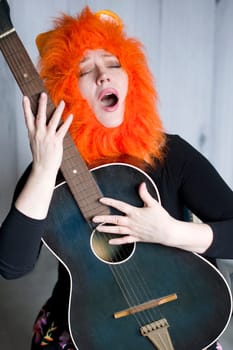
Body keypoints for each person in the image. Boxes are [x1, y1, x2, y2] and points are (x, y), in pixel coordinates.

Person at [0, 6, 232, 350]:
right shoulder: (47, 168)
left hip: (185, 313)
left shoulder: (171, 154)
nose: (103, 76)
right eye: (85, 71)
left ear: (131, 78)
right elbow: (11, 265)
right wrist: (46, 169)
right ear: (66, 90)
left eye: (112, 64)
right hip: (88, 327)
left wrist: (169, 232)